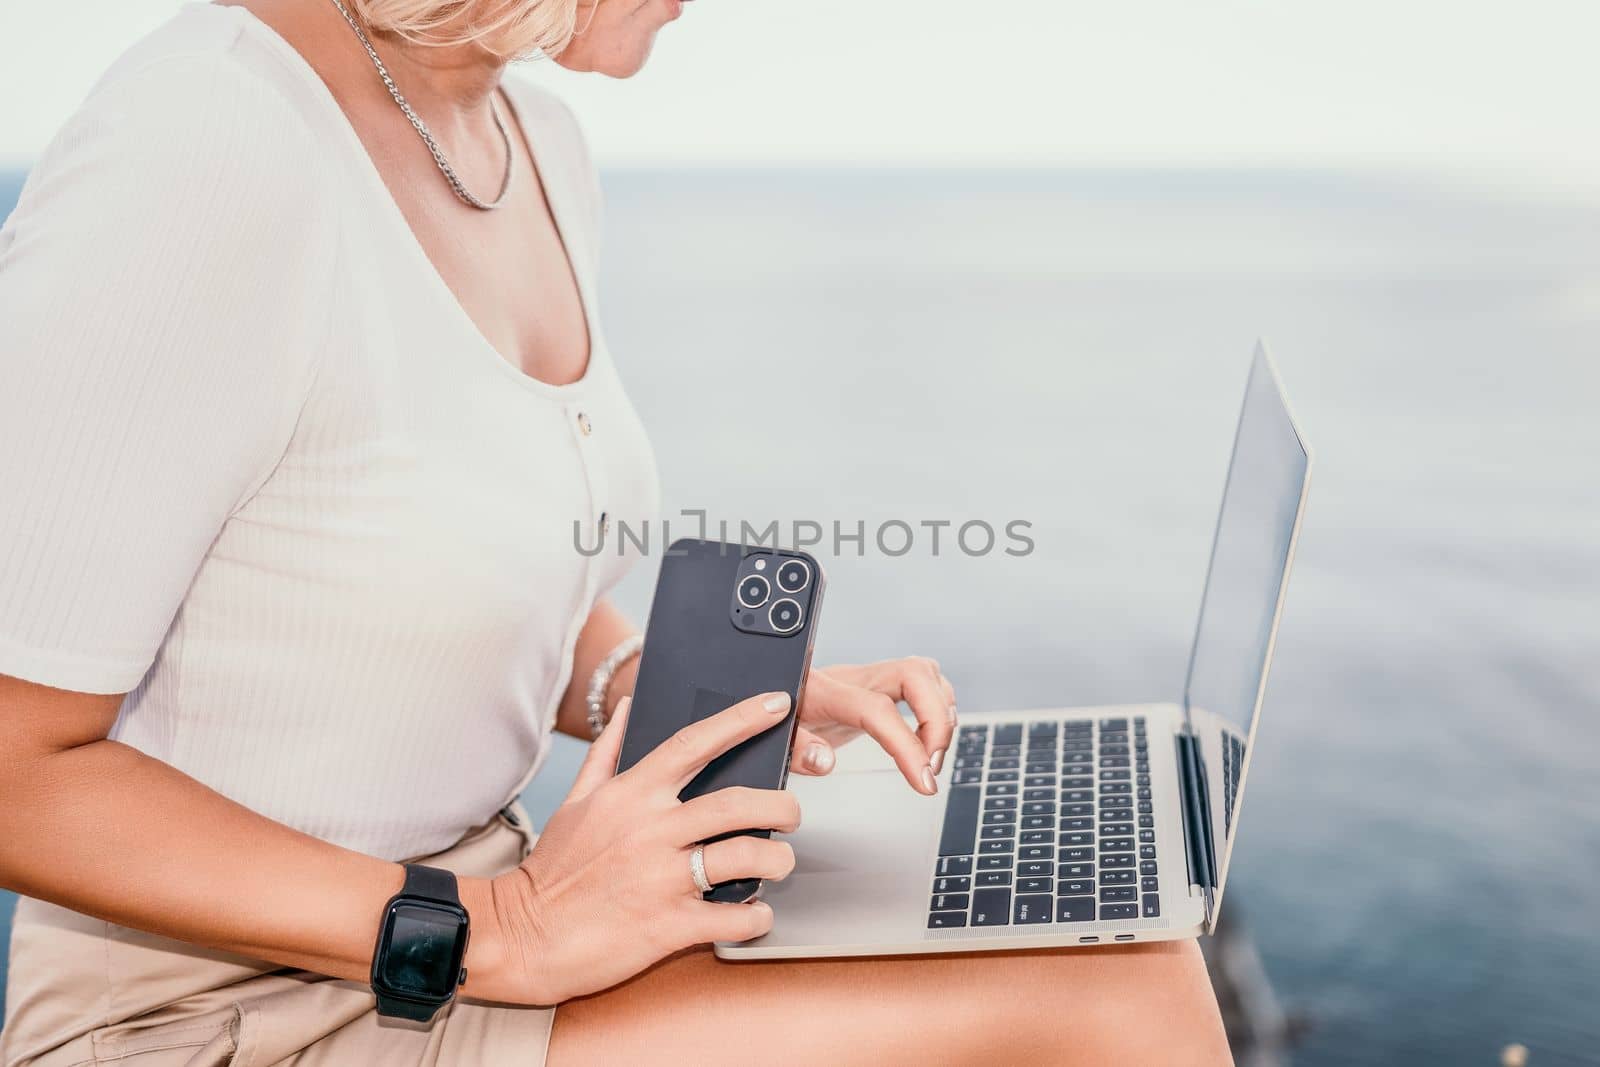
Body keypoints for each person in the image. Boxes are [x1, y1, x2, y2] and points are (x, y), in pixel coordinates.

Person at [0, 1, 1231, 1062]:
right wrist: (513, 928)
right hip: (224, 1015)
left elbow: (437, 565)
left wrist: (672, 693)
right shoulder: (203, 149)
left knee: (1093, 927)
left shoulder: (533, 142)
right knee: (1115, 992)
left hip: (478, 923)